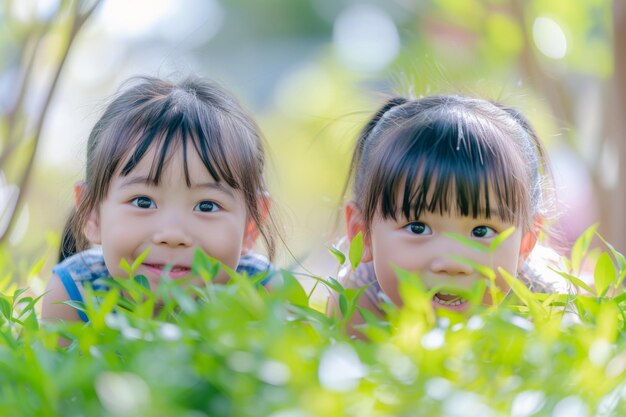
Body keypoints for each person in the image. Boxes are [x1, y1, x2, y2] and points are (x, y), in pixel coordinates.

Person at [42, 75, 280, 323]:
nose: (173, 235)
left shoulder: (262, 294)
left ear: (251, 225)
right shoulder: (75, 293)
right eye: (143, 202)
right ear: (92, 214)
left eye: (207, 206)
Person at [329, 94, 568, 331]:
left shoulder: (542, 303)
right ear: (362, 233)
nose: (452, 262)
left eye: (481, 231)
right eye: (418, 227)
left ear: (526, 243)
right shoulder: (360, 295)